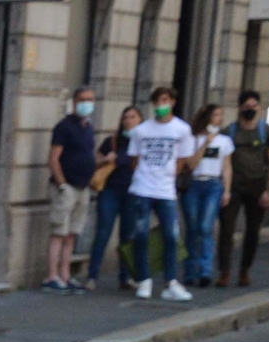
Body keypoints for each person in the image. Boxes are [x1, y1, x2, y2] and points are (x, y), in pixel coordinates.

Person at [122, 85, 196, 300]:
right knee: (142, 234)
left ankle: (171, 282)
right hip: (143, 188)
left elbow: (183, 160)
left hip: (166, 190)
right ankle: (144, 279)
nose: (161, 105)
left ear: (172, 102)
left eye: (165, 100)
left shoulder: (181, 130)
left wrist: (169, 175)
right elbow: (134, 160)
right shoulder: (142, 130)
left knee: (172, 236)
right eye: (158, 102)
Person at [220, 90, 269, 286]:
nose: (250, 110)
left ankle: (245, 270)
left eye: (254, 106)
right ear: (240, 108)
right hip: (234, 184)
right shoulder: (230, 131)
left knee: (253, 230)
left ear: (260, 108)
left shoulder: (266, 131)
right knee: (226, 229)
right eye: (246, 107)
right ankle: (225, 271)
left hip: (257, 184)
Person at [46, 87, 100, 291]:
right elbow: (53, 158)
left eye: (91, 100)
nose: (88, 104)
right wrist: (61, 185)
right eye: (83, 99)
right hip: (67, 186)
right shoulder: (64, 127)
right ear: (75, 102)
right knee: (59, 231)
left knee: (72, 234)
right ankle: (52, 275)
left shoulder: (87, 127)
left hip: (82, 187)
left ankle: (65, 274)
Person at [90, 107, 142, 290]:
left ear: (140, 120)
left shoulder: (143, 143)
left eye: (133, 117)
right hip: (110, 192)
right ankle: (92, 276)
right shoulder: (111, 142)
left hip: (133, 193)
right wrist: (105, 159)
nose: (128, 121)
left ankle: (125, 277)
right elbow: (94, 163)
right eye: (125, 117)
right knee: (103, 233)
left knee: (127, 236)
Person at [183, 105, 230, 286]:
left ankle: (205, 270)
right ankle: (190, 270)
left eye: (220, 115)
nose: (219, 118)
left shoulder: (225, 141)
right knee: (193, 228)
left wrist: (227, 190)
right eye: (216, 115)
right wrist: (205, 144)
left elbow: (226, 166)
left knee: (205, 227)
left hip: (213, 184)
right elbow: (191, 164)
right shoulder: (193, 139)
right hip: (194, 184)